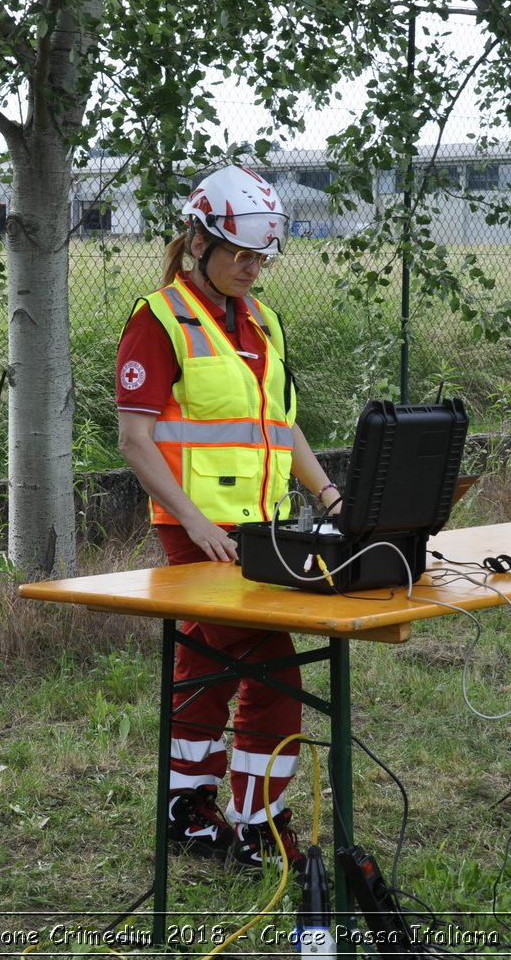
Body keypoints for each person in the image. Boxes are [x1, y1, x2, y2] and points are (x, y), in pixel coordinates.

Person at [114, 164, 340, 871]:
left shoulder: (264, 321)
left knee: (204, 665)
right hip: (198, 534)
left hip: (264, 530)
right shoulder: (158, 320)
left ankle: (187, 805)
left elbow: (285, 426)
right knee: (274, 671)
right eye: (239, 254)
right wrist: (194, 523)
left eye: (260, 257)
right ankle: (257, 824)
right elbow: (134, 437)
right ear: (198, 243)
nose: (251, 268)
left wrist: (332, 497)